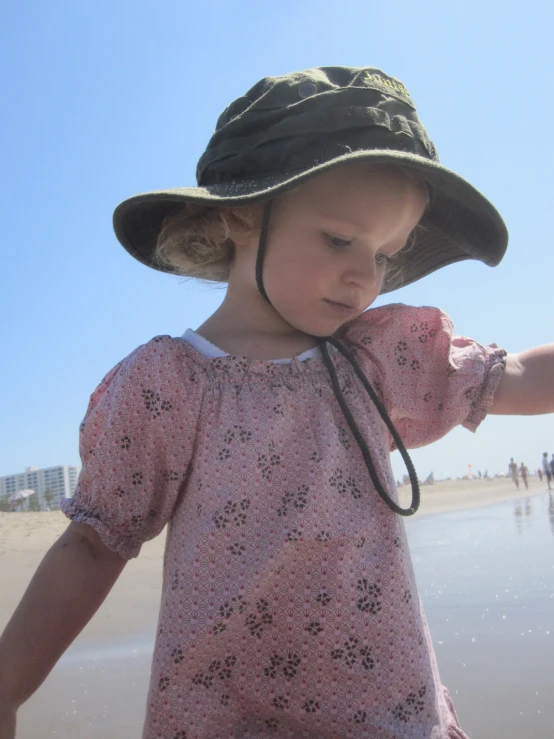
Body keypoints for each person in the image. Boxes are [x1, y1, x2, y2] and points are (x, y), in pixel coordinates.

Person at [1, 66, 553, 739]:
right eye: (341, 240)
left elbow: (515, 374)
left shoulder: (377, 358)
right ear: (242, 214)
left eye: (387, 254)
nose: (365, 275)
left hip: (391, 718)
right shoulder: (167, 385)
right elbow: (93, 543)